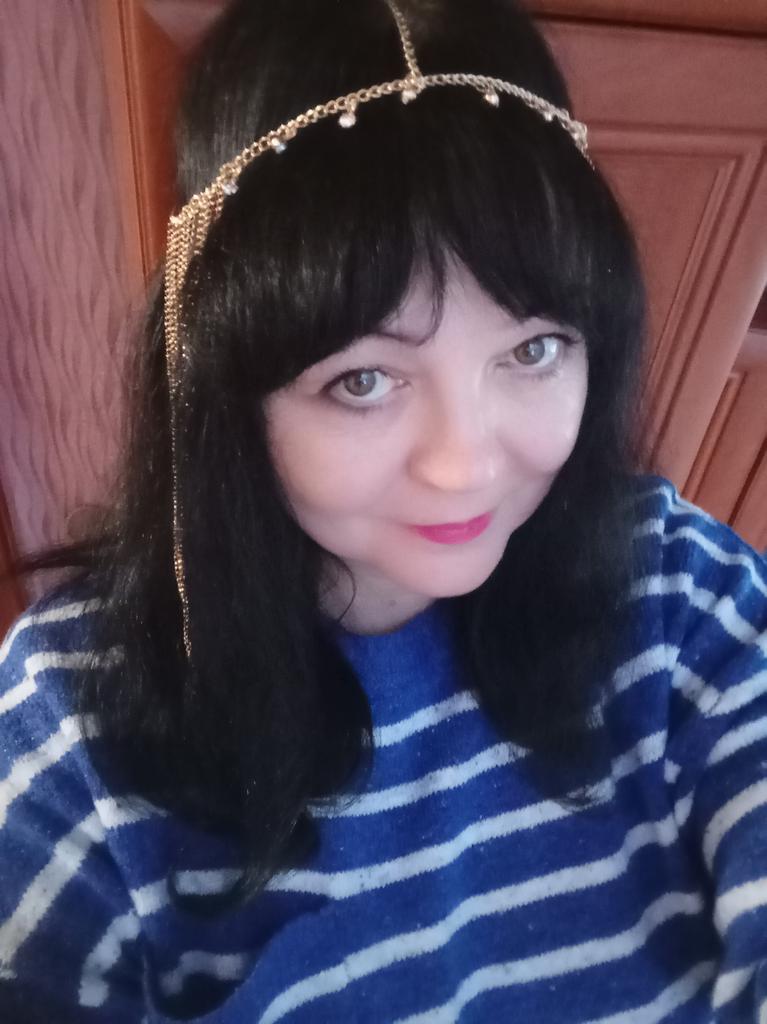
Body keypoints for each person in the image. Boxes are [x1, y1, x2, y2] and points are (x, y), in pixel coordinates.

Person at [1, 0, 766, 1020]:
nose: (463, 466)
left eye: (532, 349)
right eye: (362, 380)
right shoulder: (75, 716)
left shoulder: (672, 585)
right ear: (221, 388)